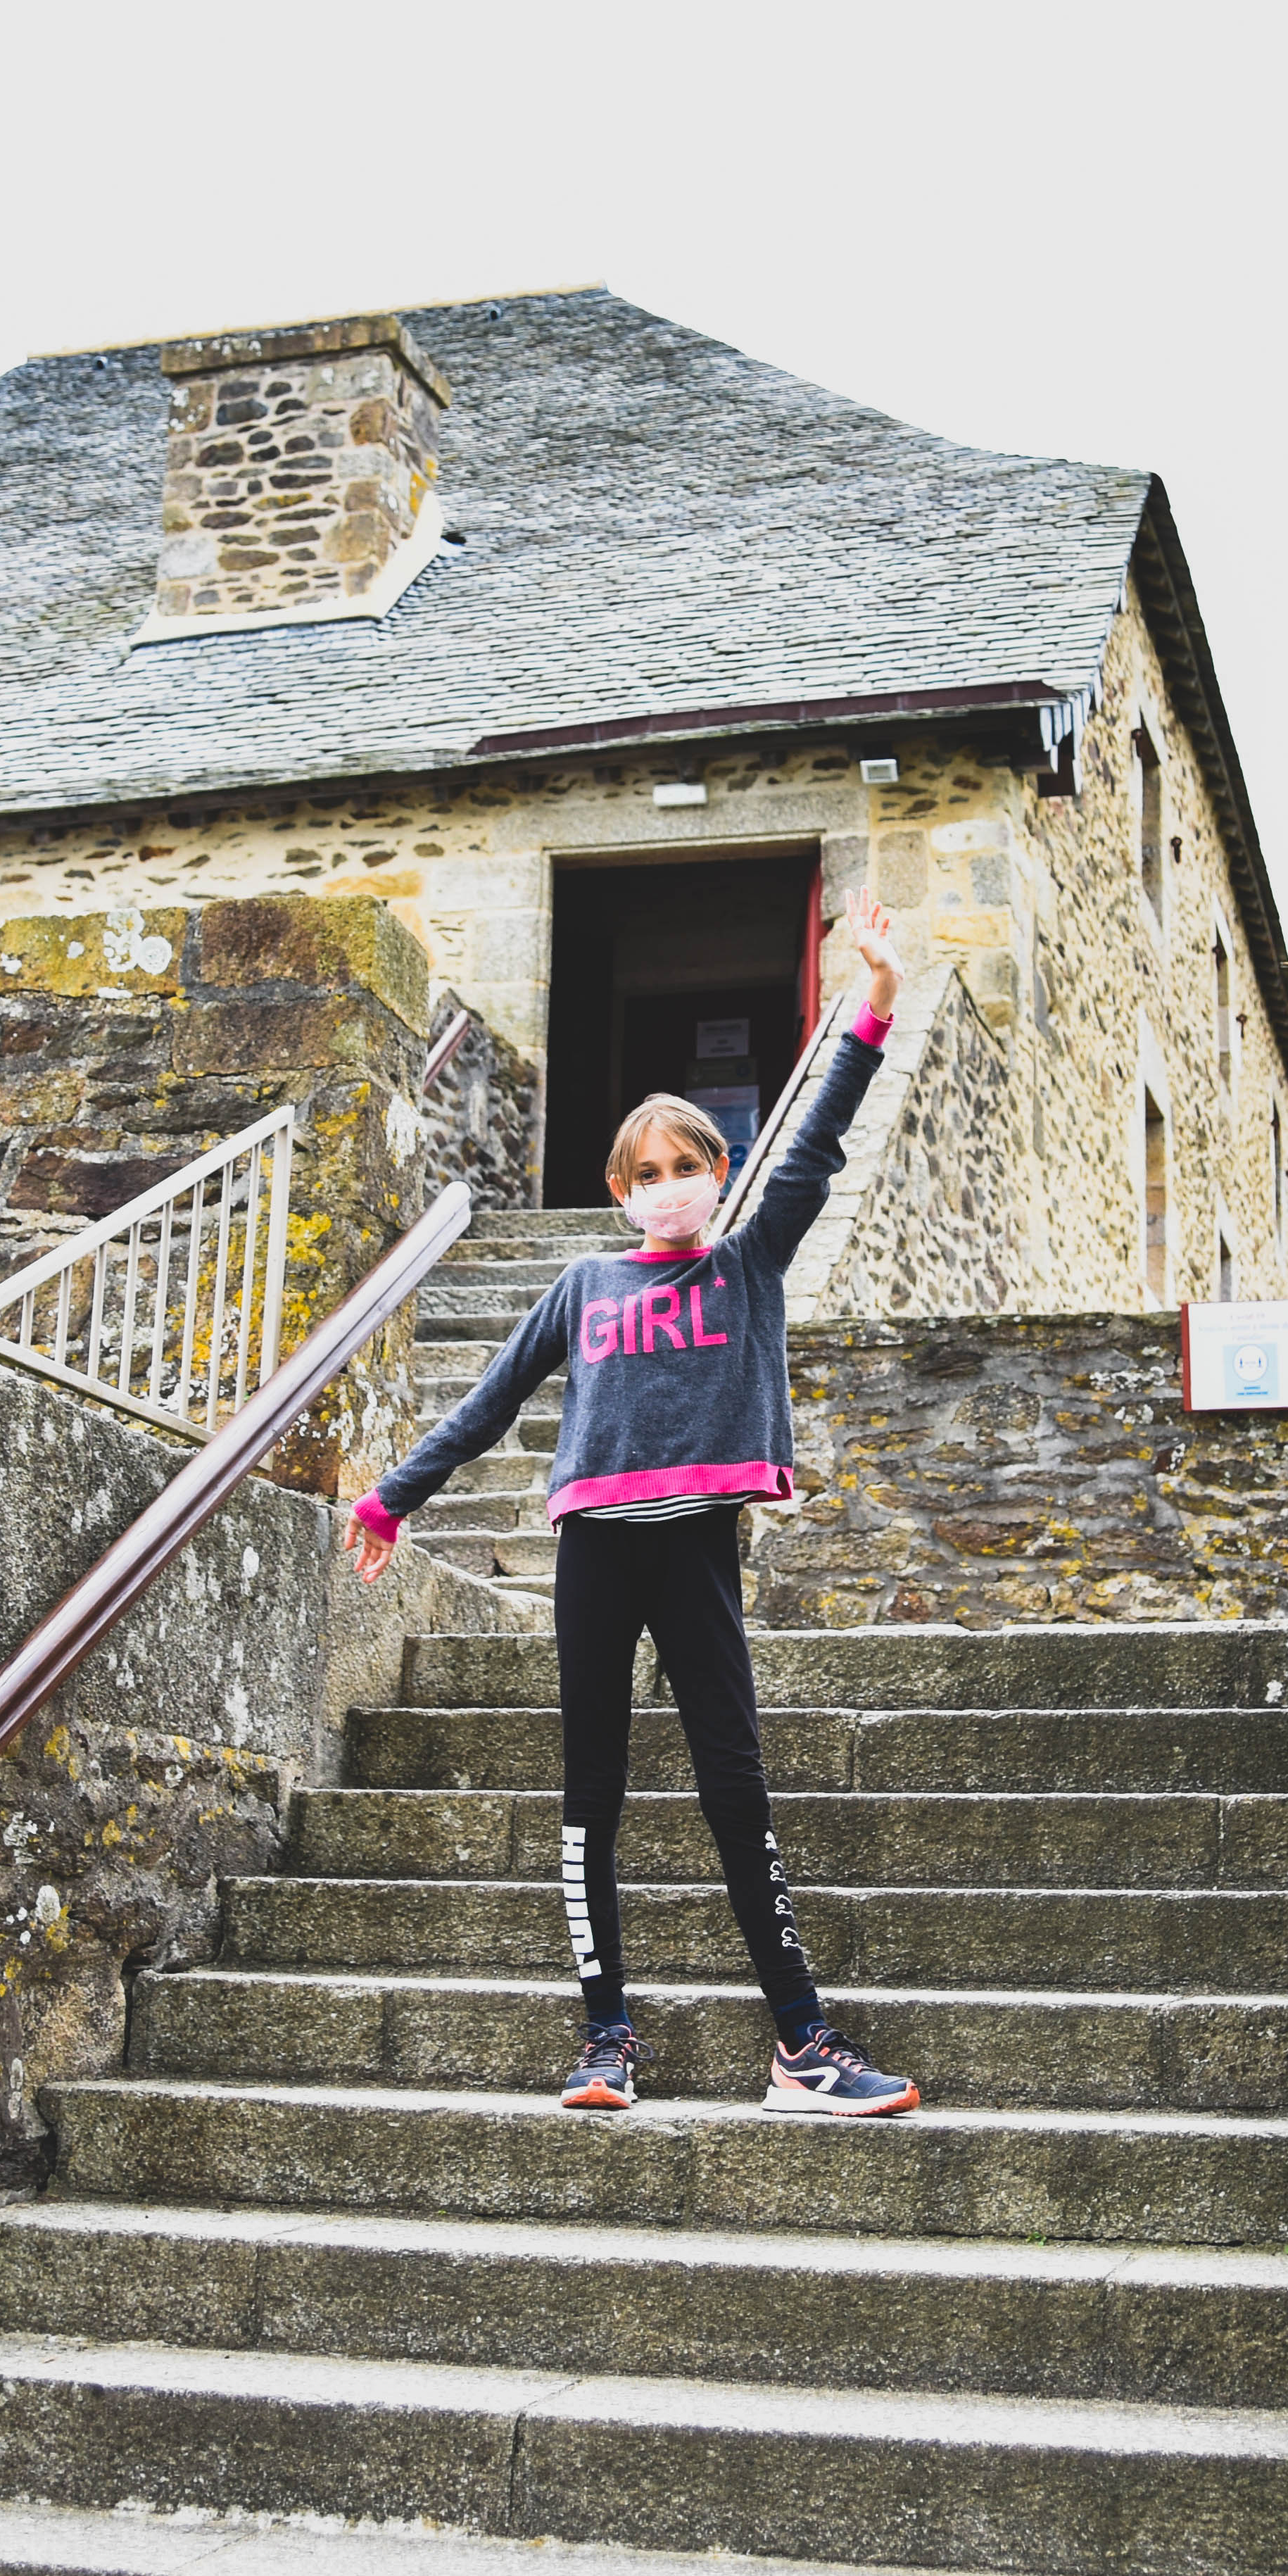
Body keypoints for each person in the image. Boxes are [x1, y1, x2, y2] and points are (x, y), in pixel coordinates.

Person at [350, 900, 920, 2118]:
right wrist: (393, 1500)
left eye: (687, 1167)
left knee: (735, 1791)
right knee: (591, 1796)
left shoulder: (746, 1262)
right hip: (597, 1557)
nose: (669, 1187)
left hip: (697, 1551)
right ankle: (605, 2036)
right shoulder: (583, 1284)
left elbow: (817, 1140)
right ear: (619, 1190)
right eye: (647, 1174)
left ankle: (802, 2043)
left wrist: (872, 1005)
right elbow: (491, 1404)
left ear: (719, 1174)